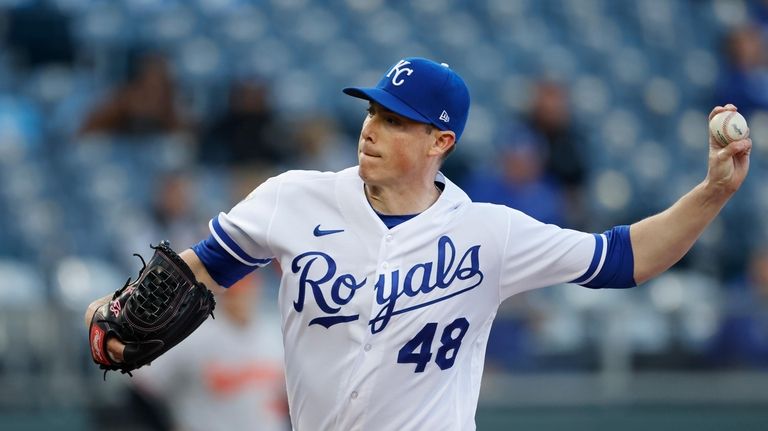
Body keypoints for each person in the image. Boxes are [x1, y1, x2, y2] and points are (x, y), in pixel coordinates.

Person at [86, 57, 752, 430]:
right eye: (372, 111)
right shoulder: (293, 199)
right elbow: (203, 269)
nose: (372, 128)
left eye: (396, 121)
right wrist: (119, 314)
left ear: (441, 143)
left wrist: (713, 192)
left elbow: (626, 257)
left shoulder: (490, 233)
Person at [131, 273, 288, 431]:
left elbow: (291, 398)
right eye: (235, 293)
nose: (242, 297)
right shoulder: (193, 334)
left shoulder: (275, 336)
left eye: (246, 290)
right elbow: (142, 385)